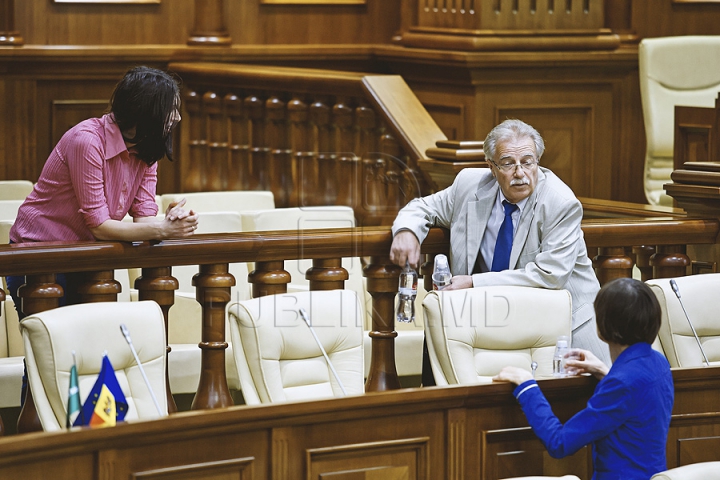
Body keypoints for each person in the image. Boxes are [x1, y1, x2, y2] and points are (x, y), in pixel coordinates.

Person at [390, 118, 609, 366]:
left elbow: (550, 275)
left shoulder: (560, 203)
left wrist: (474, 283)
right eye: (508, 163)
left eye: (528, 162)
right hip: (497, 325)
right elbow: (421, 208)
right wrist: (407, 231)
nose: (520, 173)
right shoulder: (469, 185)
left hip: (568, 327)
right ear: (492, 168)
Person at [7, 66, 199, 310]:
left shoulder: (147, 148)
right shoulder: (87, 140)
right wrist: (162, 230)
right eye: (169, 109)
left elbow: (144, 220)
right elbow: (99, 226)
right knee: (51, 344)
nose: (177, 117)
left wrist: (170, 221)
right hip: (40, 256)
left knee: (91, 344)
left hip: (89, 256)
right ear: (145, 112)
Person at [493, 277, 674, 480]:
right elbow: (636, 401)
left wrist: (527, 386)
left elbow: (559, 443)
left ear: (602, 328)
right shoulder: (659, 363)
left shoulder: (621, 383)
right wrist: (604, 371)